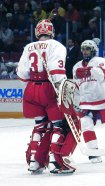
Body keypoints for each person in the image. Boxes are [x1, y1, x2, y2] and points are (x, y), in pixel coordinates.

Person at [16, 19, 77, 174]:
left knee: (40, 125)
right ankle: (55, 161)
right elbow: (56, 72)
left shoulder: (28, 47)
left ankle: (34, 161)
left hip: (31, 88)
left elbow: (22, 74)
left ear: (37, 32)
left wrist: (32, 86)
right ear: (52, 32)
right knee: (59, 125)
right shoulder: (57, 46)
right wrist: (61, 91)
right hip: (49, 88)